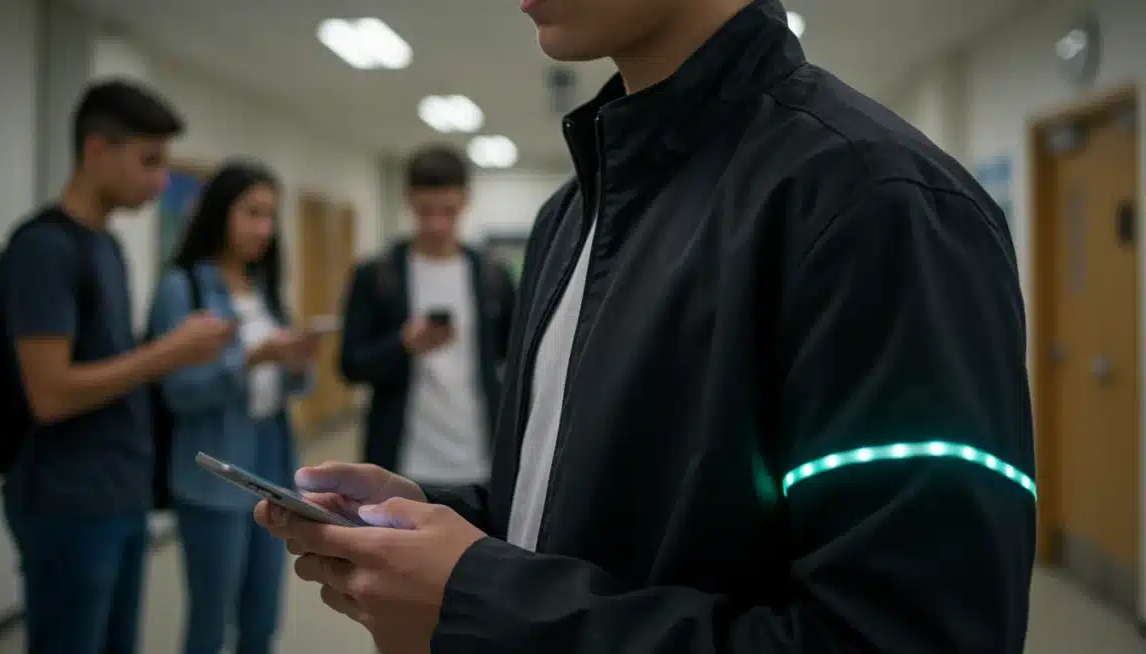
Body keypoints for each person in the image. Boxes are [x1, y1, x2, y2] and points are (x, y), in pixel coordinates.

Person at [257, 1, 1037, 653]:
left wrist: (484, 600)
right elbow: (589, 507)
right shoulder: (571, 215)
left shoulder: (874, 206)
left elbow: (900, 637)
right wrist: (443, 519)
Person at [1, 80, 236, 654]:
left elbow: (112, 365)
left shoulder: (104, 246)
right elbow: (50, 394)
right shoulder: (45, 249)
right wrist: (169, 353)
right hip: (69, 502)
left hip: (119, 495)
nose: (160, 181)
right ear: (96, 151)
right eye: (148, 162)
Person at [148, 162, 321, 654]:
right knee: (210, 621)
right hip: (212, 471)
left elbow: (290, 388)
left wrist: (295, 361)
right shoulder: (184, 287)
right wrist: (251, 359)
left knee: (262, 619)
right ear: (220, 212)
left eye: (270, 216)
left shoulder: (263, 287)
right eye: (252, 213)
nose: (264, 229)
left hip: (272, 461)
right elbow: (177, 392)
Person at [338, 145, 516, 487]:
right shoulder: (377, 275)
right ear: (408, 201)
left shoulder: (493, 276)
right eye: (426, 211)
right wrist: (402, 344)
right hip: (401, 461)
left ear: (465, 201)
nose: (437, 225)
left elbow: (514, 358)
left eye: (448, 211)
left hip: (480, 459)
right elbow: (350, 365)